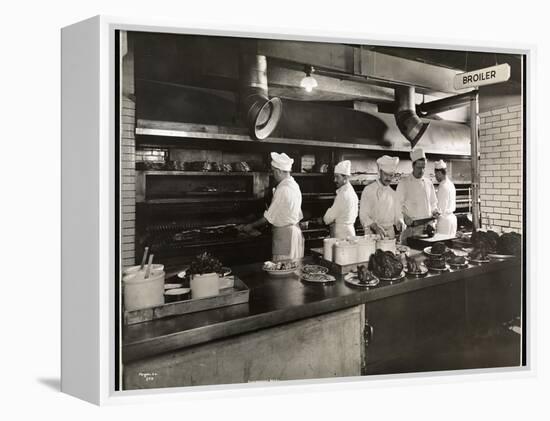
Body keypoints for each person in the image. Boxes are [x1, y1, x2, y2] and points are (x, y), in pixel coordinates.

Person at [238, 152, 304, 262]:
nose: (273, 174)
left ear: (278, 171)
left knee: (282, 270)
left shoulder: (283, 189)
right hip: (295, 233)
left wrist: (249, 226)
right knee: (294, 271)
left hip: (285, 236)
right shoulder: (294, 185)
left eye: (273, 171)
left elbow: (268, 218)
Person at [396, 148, 440, 245]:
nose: (422, 171)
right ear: (413, 166)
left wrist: (435, 211)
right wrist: (403, 217)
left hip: (428, 229)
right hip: (412, 230)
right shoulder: (404, 183)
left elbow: (433, 203)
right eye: (419, 168)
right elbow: (397, 206)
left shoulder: (428, 183)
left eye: (423, 167)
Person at [359, 155, 403, 239]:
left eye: (391, 175)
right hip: (372, 234)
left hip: (389, 235)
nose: (389, 178)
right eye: (386, 174)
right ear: (380, 172)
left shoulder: (393, 193)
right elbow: (363, 215)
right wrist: (375, 227)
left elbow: (398, 215)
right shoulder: (368, 190)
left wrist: (400, 222)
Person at [322, 160, 359, 239]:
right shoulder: (352, 192)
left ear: (345, 177)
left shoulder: (343, 195)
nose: (335, 180)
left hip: (341, 234)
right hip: (350, 231)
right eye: (334, 176)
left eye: (337, 177)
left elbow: (328, 218)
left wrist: (327, 217)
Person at [434, 159, 457, 236]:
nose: (435, 177)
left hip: (444, 221)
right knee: (450, 244)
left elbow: (440, 209)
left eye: (436, 174)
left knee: (442, 244)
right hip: (452, 220)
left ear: (440, 172)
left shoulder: (442, 186)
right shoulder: (451, 184)